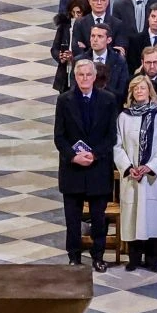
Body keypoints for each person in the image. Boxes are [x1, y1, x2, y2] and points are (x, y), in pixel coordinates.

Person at [54, 57, 119, 270]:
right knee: (72, 219)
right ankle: (74, 256)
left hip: (98, 169)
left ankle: (98, 256)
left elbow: (111, 136)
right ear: (75, 77)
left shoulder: (108, 100)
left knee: (99, 219)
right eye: (80, 75)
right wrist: (74, 156)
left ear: (94, 77)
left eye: (88, 75)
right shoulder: (64, 100)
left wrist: (94, 154)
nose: (84, 78)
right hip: (72, 169)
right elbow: (59, 136)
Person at [113, 75, 157, 270]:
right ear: (131, 92)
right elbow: (117, 145)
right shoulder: (124, 116)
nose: (139, 91)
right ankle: (134, 258)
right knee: (133, 216)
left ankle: (152, 259)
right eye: (135, 88)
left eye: (142, 88)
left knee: (152, 217)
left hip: (152, 176)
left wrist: (150, 166)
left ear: (149, 91)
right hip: (132, 176)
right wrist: (129, 167)